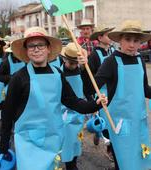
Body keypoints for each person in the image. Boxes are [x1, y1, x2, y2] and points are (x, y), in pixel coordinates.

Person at [0, 27, 108, 170]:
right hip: (28, 142)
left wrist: (95, 105)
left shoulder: (57, 74)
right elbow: (8, 114)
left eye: (40, 45)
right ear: (26, 50)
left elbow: (73, 101)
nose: (36, 49)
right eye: (31, 46)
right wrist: (4, 146)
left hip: (52, 140)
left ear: (48, 48)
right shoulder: (19, 78)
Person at [82, 20, 151, 170]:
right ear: (120, 40)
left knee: (140, 159)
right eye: (127, 39)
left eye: (136, 40)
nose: (132, 45)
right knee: (124, 161)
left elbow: (145, 89)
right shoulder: (111, 61)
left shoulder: (140, 60)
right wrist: (83, 67)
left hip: (139, 120)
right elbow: (90, 87)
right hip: (120, 123)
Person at [84, 27, 115, 153]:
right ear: (100, 38)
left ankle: (100, 133)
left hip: (114, 92)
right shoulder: (94, 55)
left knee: (114, 120)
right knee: (106, 122)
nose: (111, 37)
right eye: (108, 35)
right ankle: (109, 148)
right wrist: (91, 98)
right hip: (101, 93)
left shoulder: (113, 51)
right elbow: (89, 79)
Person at [59, 43, 86, 170]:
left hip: (79, 111)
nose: (74, 66)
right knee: (67, 140)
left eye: (76, 63)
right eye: (71, 63)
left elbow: (87, 90)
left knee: (77, 140)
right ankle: (70, 165)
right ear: (64, 59)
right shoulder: (58, 73)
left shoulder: (83, 72)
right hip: (64, 113)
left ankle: (74, 161)